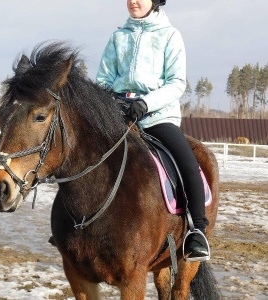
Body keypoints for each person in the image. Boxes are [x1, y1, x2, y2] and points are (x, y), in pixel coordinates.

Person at [96, 0, 210, 261]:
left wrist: (145, 103)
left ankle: (197, 232)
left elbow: (176, 83)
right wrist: (115, 103)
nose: (133, 0)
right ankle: (73, 224)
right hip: (119, 114)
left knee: (187, 162)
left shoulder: (170, 35)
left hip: (157, 116)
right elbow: (103, 80)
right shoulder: (118, 37)